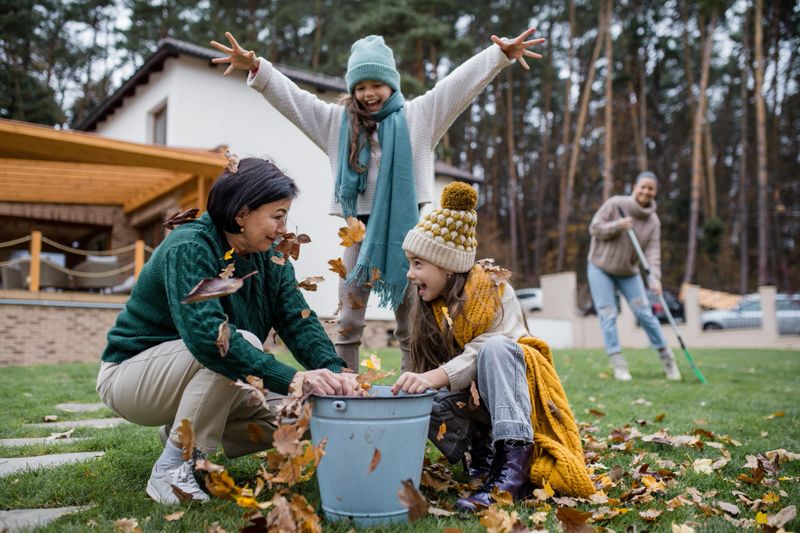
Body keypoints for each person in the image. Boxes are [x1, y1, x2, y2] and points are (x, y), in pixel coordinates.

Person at [210, 28, 545, 371]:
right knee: (347, 323)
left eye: (376, 84)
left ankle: (411, 389)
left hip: (408, 236)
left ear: (392, 84)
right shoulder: (335, 124)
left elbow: (456, 86)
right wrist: (257, 67)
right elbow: (295, 100)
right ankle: (345, 386)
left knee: (410, 326)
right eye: (360, 86)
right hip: (358, 234)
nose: (368, 93)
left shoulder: (419, 117)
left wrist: (499, 56)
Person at [96, 158, 358, 505]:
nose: (283, 227)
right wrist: (295, 379)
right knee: (234, 342)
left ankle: (179, 431)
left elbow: (299, 320)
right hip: (131, 378)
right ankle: (172, 468)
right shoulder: (193, 247)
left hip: (199, 377)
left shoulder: (272, 258)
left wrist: (336, 375)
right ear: (242, 213)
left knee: (312, 410)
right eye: (277, 215)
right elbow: (209, 339)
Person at [392, 182, 594, 510]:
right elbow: (427, 374)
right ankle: (480, 453)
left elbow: (486, 352)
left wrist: (436, 376)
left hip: (514, 399)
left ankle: (513, 468)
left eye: (418, 264)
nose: (410, 274)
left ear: (446, 265)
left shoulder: (494, 293)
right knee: (422, 395)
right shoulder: (431, 309)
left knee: (495, 349)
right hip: (475, 403)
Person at [587, 171, 682, 381]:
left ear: (655, 192)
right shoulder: (616, 204)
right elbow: (595, 228)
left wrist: (654, 277)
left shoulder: (653, 222)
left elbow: (653, 252)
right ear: (635, 187)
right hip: (600, 267)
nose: (646, 191)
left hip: (628, 272)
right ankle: (618, 362)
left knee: (645, 313)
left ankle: (667, 359)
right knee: (608, 313)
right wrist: (618, 226)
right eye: (643, 187)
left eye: (651, 189)